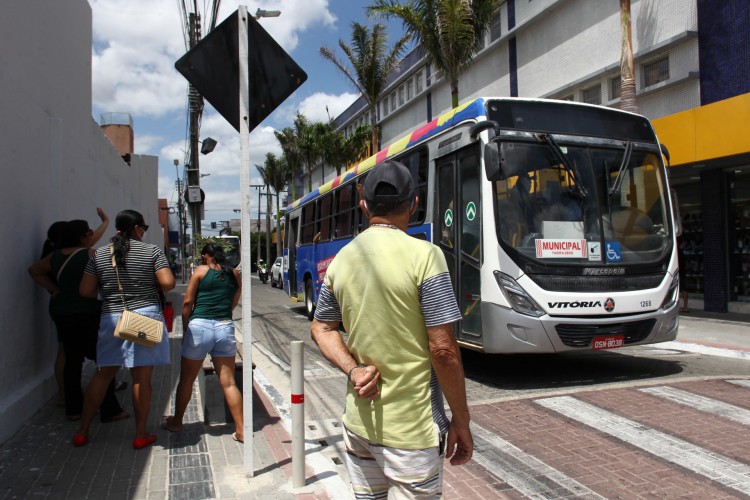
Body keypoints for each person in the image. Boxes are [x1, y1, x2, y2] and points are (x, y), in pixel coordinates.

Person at [310, 160, 473, 498]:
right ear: (414, 204)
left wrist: (354, 370)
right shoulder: (426, 256)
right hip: (412, 434)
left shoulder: (341, 260)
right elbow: (443, 351)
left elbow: (322, 328)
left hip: (358, 426)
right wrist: (462, 420)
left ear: (364, 205)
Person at [73, 209, 175, 449]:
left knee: (103, 374)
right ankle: (140, 434)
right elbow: (168, 283)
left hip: (111, 317)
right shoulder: (151, 251)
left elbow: (85, 291)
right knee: (141, 378)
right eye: (145, 227)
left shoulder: (98, 255)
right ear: (137, 228)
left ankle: (82, 430)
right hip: (143, 317)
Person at [29, 214, 129, 423]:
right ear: (82, 237)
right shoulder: (90, 255)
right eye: (90, 233)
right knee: (104, 361)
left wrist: (55, 289)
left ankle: (73, 407)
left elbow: (34, 271)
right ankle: (109, 408)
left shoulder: (55, 256)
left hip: (62, 311)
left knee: (72, 360)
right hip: (89, 312)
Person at [162, 243, 243, 441]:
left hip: (200, 326)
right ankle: (241, 430)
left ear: (207, 255)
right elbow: (236, 297)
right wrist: (224, 313)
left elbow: (188, 302)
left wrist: (185, 325)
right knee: (229, 382)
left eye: (203, 255)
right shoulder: (233, 273)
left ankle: (177, 421)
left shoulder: (200, 271)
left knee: (187, 379)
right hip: (225, 326)